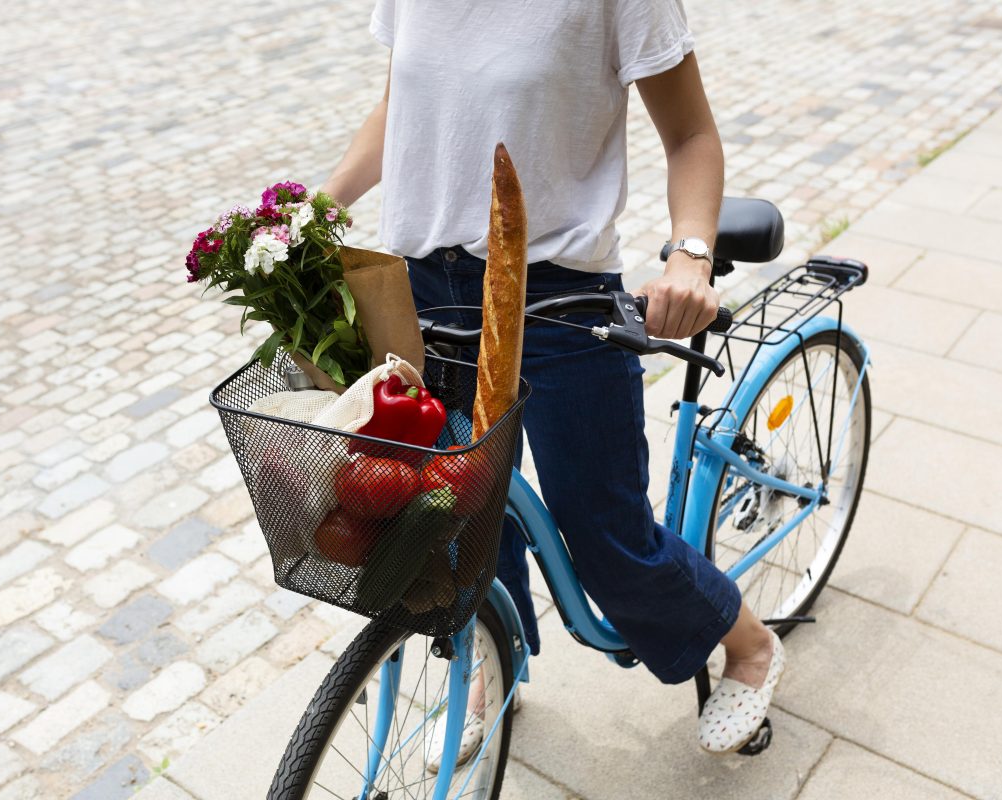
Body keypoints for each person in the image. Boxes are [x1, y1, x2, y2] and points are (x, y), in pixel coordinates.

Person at [319, 0, 783, 756]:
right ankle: (492, 667)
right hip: (424, 297)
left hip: (556, 298)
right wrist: (320, 204)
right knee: (457, 515)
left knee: (605, 538)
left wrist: (689, 256)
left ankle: (750, 643)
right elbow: (401, 102)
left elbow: (691, 135)